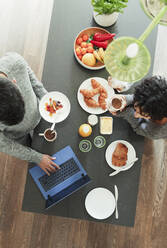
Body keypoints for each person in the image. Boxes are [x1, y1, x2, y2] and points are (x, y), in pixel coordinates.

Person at [0, 52, 59, 175]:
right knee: (29, 146)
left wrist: (47, 102)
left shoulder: (14, 62)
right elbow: (7, 145)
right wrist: (37, 158)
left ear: (14, 82)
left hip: (40, 112)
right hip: (18, 136)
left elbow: (34, 83)